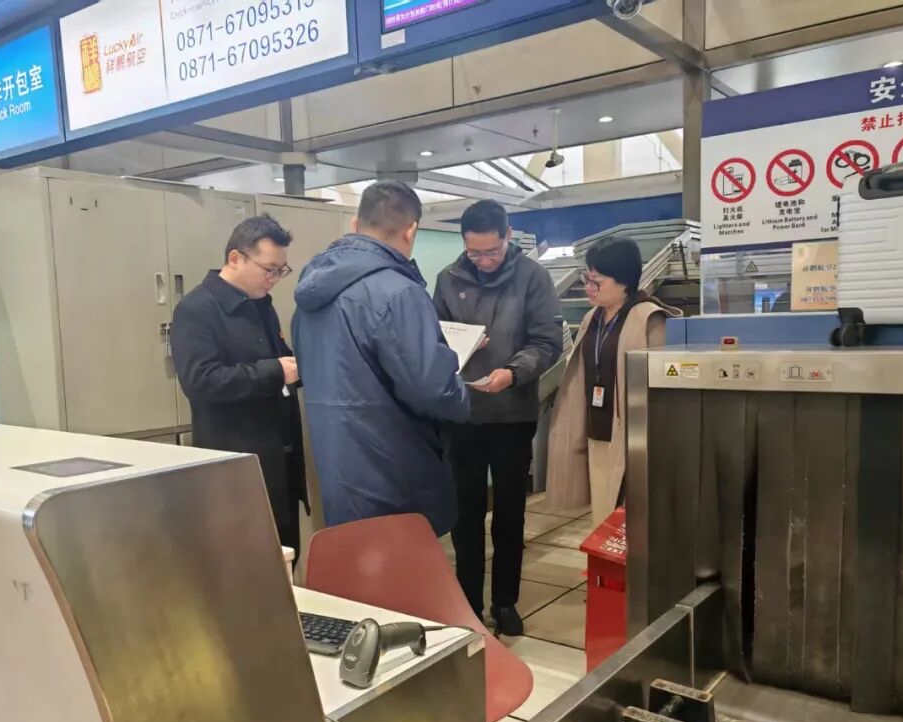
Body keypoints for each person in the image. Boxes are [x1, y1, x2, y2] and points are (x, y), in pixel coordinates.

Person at [292, 181, 470, 536]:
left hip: (338, 471)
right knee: (401, 565)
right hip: (394, 474)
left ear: (355, 224)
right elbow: (433, 389)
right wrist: (463, 395)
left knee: (356, 560)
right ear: (411, 230)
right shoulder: (398, 292)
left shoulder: (309, 296)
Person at [433, 200, 562, 634]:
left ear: (508, 237)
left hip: (512, 413)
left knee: (509, 513)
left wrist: (513, 372)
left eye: (492, 251)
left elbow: (547, 341)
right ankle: (468, 604)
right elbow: (434, 338)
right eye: (475, 253)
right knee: (465, 515)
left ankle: (505, 602)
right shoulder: (448, 279)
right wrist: (456, 348)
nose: (484, 261)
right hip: (463, 413)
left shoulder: (532, 277)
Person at [171, 215, 307, 558]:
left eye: (281, 271)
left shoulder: (261, 306)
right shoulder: (197, 309)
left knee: (285, 556)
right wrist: (274, 372)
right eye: (269, 269)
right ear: (235, 258)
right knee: (249, 561)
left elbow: (280, 362)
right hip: (236, 465)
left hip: (280, 456)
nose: (274, 279)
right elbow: (200, 380)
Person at [547, 236, 681, 529]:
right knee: (604, 516)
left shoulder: (649, 318)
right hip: (597, 431)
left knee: (634, 520)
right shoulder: (592, 318)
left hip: (633, 440)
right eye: (587, 279)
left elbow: (663, 389)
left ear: (624, 282)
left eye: (597, 282)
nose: (588, 287)